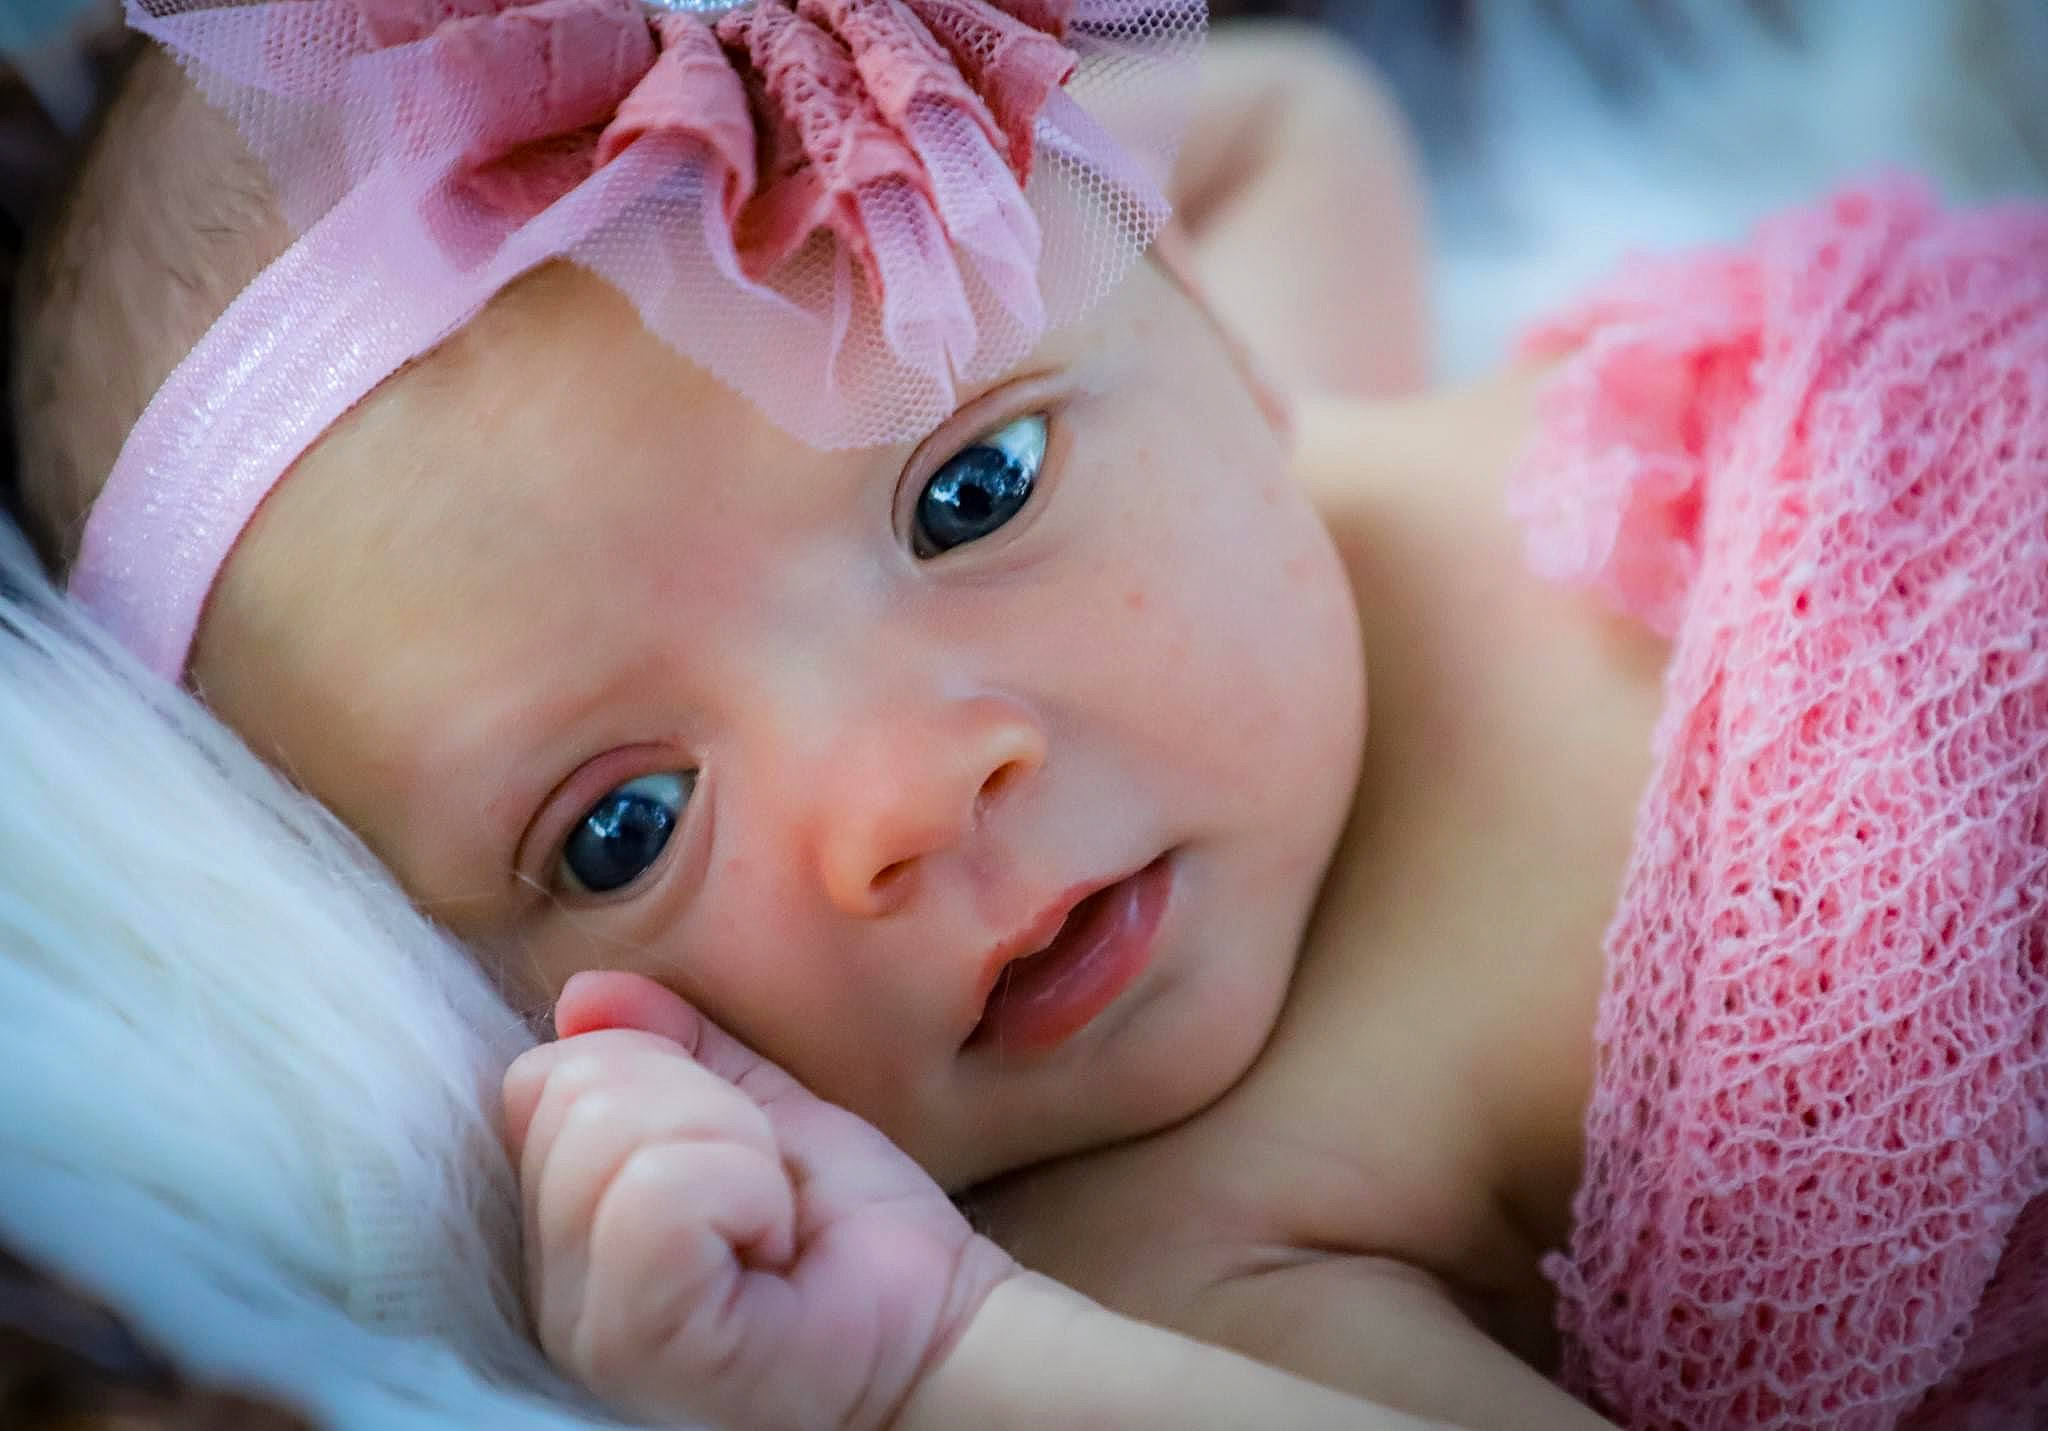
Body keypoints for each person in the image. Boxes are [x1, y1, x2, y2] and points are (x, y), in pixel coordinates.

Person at [10, 1, 2047, 1427]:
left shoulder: (1273, 395)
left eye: (963, 489)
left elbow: (1273, 126)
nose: (906, 794)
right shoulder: (1172, 1244)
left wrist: (851, 98)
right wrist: (929, 1359)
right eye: (620, 822)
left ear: (1194, 337)